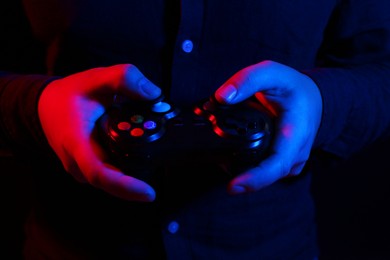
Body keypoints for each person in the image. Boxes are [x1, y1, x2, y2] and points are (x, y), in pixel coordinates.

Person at [1, 1, 390, 259]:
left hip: (270, 246)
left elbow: (381, 70)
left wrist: (323, 102)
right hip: (72, 244)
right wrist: (35, 105)